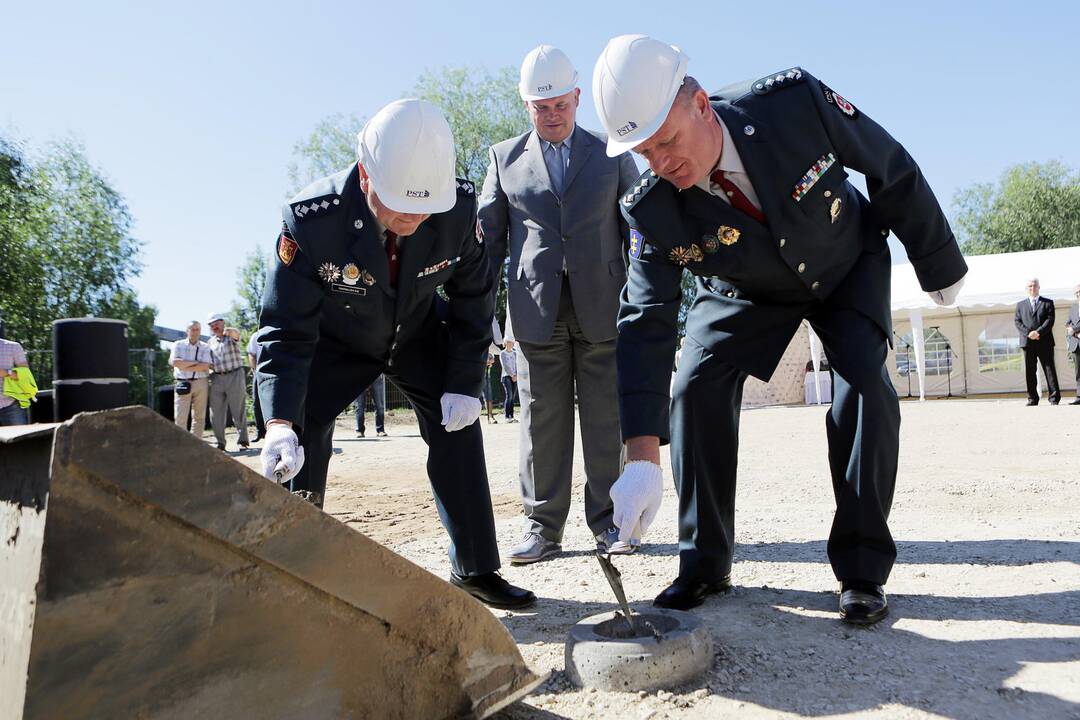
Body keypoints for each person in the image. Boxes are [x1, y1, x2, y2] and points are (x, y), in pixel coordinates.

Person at [592, 35, 968, 624]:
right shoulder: (650, 208)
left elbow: (887, 161)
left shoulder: (792, 103)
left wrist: (937, 261)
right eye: (643, 153)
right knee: (694, 385)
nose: (661, 163)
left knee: (865, 385)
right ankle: (704, 562)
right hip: (746, 289)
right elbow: (644, 320)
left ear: (701, 107)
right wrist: (641, 455)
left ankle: (863, 570)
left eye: (666, 141)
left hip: (843, 260)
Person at [256, 99, 534, 609]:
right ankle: (290, 569)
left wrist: (464, 380)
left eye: (423, 207)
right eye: (399, 206)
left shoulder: (456, 208)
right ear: (366, 176)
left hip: (417, 334)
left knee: (457, 427)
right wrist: (276, 422)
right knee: (299, 430)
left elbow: (475, 297)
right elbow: (285, 331)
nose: (412, 218)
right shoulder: (310, 222)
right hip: (334, 342)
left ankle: (474, 568)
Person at [478, 44, 640, 563]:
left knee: (604, 419)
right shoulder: (503, 158)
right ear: (527, 104)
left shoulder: (613, 152)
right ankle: (542, 528)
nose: (551, 116)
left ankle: (611, 523)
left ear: (577, 97)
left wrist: (643, 299)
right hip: (533, 312)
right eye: (540, 107)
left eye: (560, 105)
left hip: (603, 306)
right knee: (540, 421)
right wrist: (485, 316)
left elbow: (640, 228)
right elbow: (488, 243)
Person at [207, 312, 251, 450]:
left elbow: (237, 334)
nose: (215, 326)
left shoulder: (230, 336)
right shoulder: (209, 343)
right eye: (212, 325)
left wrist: (229, 330)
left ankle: (242, 440)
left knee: (238, 409)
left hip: (235, 375)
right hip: (216, 377)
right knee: (215, 412)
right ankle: (220, 443)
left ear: (222, 322)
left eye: (217, 323)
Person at [1014, 278, 1061, 406]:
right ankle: (1032, 398)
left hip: (1045, 341)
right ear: (1026, 288)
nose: (1032, 288)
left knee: (1049, 370)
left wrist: (1038, 332)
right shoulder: (1020, 305)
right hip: (1028, 343)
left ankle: (1054, 398)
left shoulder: (1048, 303)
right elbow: (1017, 322)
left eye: (1035, 286)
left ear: (1039, 287)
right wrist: (1029, 333)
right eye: (1030, 286)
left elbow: (1050, 320)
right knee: (1030, 371)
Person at [169, 321, 211, 435]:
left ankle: (197, 442)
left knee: (199, 416)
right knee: (180, 416)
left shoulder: (205, 346)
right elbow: (175, 362)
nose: (195, 332)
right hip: (182, 382)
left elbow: (205, 366)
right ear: (187, 331)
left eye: (197, 329)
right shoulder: (178, 344)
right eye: (192, 329)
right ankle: (182, 444)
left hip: (200, 382)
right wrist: (197, 363)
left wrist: (185, 365)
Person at [0, 330, 31, 426]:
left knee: (21, 440)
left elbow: (25, 375)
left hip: (11, 406)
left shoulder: (13, 347)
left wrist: (6, 373)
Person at [247, 329, 265, 442]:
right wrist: (255, 369)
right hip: (259, 372)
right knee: (257, 404)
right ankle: (260, 432)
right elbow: (251, 354)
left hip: (277, 372)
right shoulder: (256, 335)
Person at [1064, 284, 1080, 405]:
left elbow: (1073, 327)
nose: (1078, 294)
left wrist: (1074, 329)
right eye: (1077, 293)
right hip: (1076, 344)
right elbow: (1068, 323)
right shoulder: (1073, 307)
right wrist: (1074, 332)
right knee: (1078, 372)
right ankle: (1079, 396)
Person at [499, 339, 519, 423]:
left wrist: (516, 375)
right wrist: (512, 375)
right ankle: (507, 417)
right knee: (509, 396)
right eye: (509, 342)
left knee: (513, 397)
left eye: (511, 342)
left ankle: (512, 416)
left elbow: (518, 364)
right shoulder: (502, 353)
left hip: (515, 377)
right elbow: (505, 366)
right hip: (506, 376)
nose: (510, 344)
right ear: (505, 343)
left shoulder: (515, 353)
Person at [482, 352, 498, 423]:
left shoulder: (490, 351)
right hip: (476, 375)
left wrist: (489, 361)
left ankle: (490, 416)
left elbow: (492, 360)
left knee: (488, 397)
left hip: (486, 376)